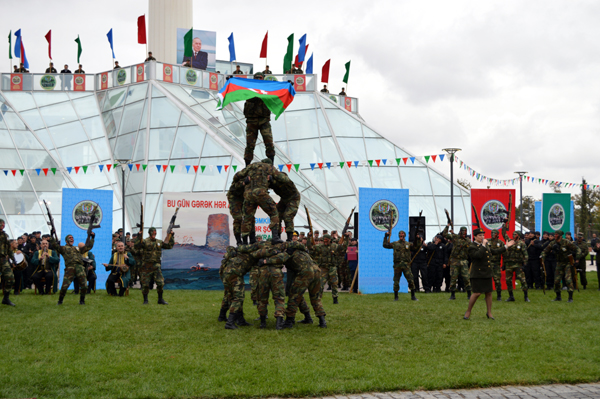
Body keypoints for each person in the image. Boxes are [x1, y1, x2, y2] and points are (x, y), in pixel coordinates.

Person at [464, 228, 509, 320]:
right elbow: (478, 255)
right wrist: (483, 245)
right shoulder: (472, 247)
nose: (482, 237)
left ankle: (489, 312)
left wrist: (506, 247)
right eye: (480, 235)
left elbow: (494, 252)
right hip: (477, 273)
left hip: (487, 272)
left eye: (483, 235)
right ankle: (468, 311)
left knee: (488, 293)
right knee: (477, 293)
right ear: (475, 237)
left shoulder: (486, 245)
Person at [283, 240, 327, 328]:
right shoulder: (303, 253)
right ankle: (322, 321)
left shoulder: (289, 254)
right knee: (315, 298)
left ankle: (289, 321)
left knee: (294, 295)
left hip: (306, 272)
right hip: (317, 271)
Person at [239, 159, 282, 244]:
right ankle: (275, 237)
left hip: (248, 195)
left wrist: (245, 181)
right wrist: (272, 180)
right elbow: (280, 178)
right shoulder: (268, 167)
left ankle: (244, 242)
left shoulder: (251, 168)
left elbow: (237, 176)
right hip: (261, 193)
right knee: (274, 212)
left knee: (247, 217)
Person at [50, 231, 95, 305]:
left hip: (80, 267)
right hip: (70, 268)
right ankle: (60, 301)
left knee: (84, 285)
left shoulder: (77, 248)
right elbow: (55, 245)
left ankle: (82, 301)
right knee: (65, 286)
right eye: (70, 238)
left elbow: (88, 247)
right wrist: (52, 235)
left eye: (72, 238)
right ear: (66, 240)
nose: (72, 239)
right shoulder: (63, 248)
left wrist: (92, 238)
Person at [134, 227, 174, 305]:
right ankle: (145, 300)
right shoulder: (145, 241)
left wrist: (171, 236)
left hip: (156, 265)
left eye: (155, 233)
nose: (154, 234)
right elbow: (136, 246)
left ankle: (160, 299)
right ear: (149, 233)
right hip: (146, 266)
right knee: (145, 284)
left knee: (160, 283)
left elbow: (169, 246)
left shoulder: (159, 242)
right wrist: (139, 236)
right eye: (152, 233)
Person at [242, 72, 275, 166]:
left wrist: (288, 85)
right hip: (252, 121)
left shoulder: (267, 89)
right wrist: (231, 81)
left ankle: (271, 165)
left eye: (260, 78)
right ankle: (247, 166)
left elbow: (279, 90)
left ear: (263, 78)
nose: (258, 79)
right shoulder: (249, 89)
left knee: (269, 143)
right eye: (256, 78)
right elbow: (237, 88)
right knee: (249, 145)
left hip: (264, 120)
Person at [308, 232, 349, 304]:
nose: (325, 242)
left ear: (330, 240)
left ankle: (335, 298)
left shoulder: (334, 246)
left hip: (332, 267)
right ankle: (318, 298)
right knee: (320, 284)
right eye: (324, 240)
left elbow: (343, 248)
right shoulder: (319, 247)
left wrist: (346, 238)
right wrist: (309, 237)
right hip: (323, 268)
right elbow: (310, 248)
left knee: (334, 283)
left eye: (327, 240)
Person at [541, 230, 581, 302]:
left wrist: (577, 259)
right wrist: (542, 258)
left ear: (560, 236)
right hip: (559, 263)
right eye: (555, 235)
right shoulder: (553, 243)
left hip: (568, 263)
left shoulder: (566, 242)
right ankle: (558, 297)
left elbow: (577, 249)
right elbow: (545, 251)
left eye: (557, 235)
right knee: (556, 281)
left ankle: (570, 297)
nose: (555, 236)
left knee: (568, 279)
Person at [219, 247, 253, 329]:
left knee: (230, 297)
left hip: (226, 276)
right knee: (238, 298)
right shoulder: (241, 255)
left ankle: (238, 319)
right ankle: (230, 322)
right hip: (234, 277)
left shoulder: (230, 257)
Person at [383, 230, 418, 301]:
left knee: (410, 279)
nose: (401, 236)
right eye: (400, 235)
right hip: (397, 265)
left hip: (406, 265)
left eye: (402, 235)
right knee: (396, 281)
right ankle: (396, 297)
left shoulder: (408, 244)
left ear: (404, 236)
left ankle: (413, 296)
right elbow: (385, 245)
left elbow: (416, 247)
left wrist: (417, 239)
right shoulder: (395, 244)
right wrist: (386, 237)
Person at [442, 225, 471, 300]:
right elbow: (444, 234)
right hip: (455, 260)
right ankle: (452, 294)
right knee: (453, 278)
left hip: (464, 261)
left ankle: (469, 294)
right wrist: (447, 226)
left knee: (466, 278)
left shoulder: (467, 240)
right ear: (460, 232)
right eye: (463, 232)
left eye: (465, 233)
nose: (464, 234)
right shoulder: (455, 237)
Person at [501, 225, 529, 302]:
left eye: (515, 234)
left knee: (522, 280)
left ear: (519, 236)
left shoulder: (522, 244)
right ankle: (511, 297)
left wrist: (525, 264)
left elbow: (525, 254)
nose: (513, 236)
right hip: (509, 264)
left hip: (518, 264)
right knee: (508, 281)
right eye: (513, 234)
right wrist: (504, 224)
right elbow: (504, 234)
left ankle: (526, 296)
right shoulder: (510, 241)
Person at [270, 171, 300, 241]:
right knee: (276, 215)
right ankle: (277, 237)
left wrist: (273, 181)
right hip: (284, 199)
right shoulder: (276, 184)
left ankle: (289, 238)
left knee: (288, 216)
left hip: (293, 198)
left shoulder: (288, 183)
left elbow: (280, 183)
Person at [227, 171, 248, 246]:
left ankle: (246, 241)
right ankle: (238, 241)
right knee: (238, 219)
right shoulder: (239, 178)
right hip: (234, 200)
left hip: (243, 199)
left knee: (247, 219)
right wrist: (243, 183)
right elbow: (234, 187)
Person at [486, 229, 506, 300]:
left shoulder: (501, 243)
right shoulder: (487, 241)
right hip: (487, 263)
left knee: (497, 280)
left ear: (497, 234)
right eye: (491, 233)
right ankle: (487, 295)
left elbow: (504, 254)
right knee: (487, 280)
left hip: (496, 264)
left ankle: (499, 295)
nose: (492, 234)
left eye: (494, 233)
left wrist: (504, 264)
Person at [0, 220, 15, 306]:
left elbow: (9, 248)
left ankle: (6, 298)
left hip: (2, 259)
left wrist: (13, 258)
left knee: (10, 278)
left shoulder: (5, 236)